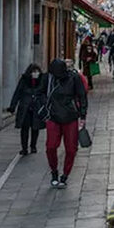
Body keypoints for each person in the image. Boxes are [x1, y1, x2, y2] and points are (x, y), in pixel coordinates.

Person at [42, 59, 88, 189]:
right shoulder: (48, 79)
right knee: (50, 146)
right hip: (53, 117)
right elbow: (40, 92)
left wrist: (83, 116)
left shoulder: (74, 78)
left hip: (70, 117)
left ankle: (65, 175)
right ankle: (54, 171)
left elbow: (82, 96)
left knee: (71, 149)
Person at [7, 63, 46, 155]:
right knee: (24, 129)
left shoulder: (41, 81)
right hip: (25, 108)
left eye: (37, 71)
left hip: (37, 108)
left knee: (35, 128)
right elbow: (17, 93)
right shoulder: (24, 80)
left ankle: (33, 146)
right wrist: (13, 106)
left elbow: (44, 94)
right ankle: (24, 148)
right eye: (33, 71)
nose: (35, 73)